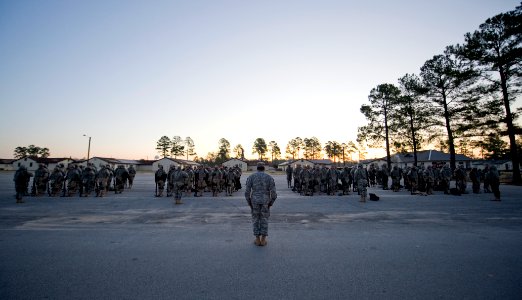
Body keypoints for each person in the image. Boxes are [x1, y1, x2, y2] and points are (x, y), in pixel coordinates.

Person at [244, 162, 277, 246]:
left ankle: (257, 239)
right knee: (264, 219)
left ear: (257, 168)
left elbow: (247, 192)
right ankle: (263, 240)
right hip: (265, 201)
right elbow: (273, 193)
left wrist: (249, 202)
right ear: (264, 168)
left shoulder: (251, 177)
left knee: (255, 219)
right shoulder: (269, 177)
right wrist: (271, 203)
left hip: (254, 200)